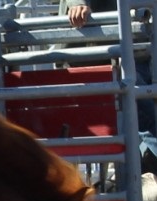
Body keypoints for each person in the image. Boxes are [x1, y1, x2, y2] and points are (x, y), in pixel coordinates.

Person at [59, 0, 157, 138]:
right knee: (146, 111)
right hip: (105, 60)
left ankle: (146, 155)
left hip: (138, 53)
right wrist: (78, 5)